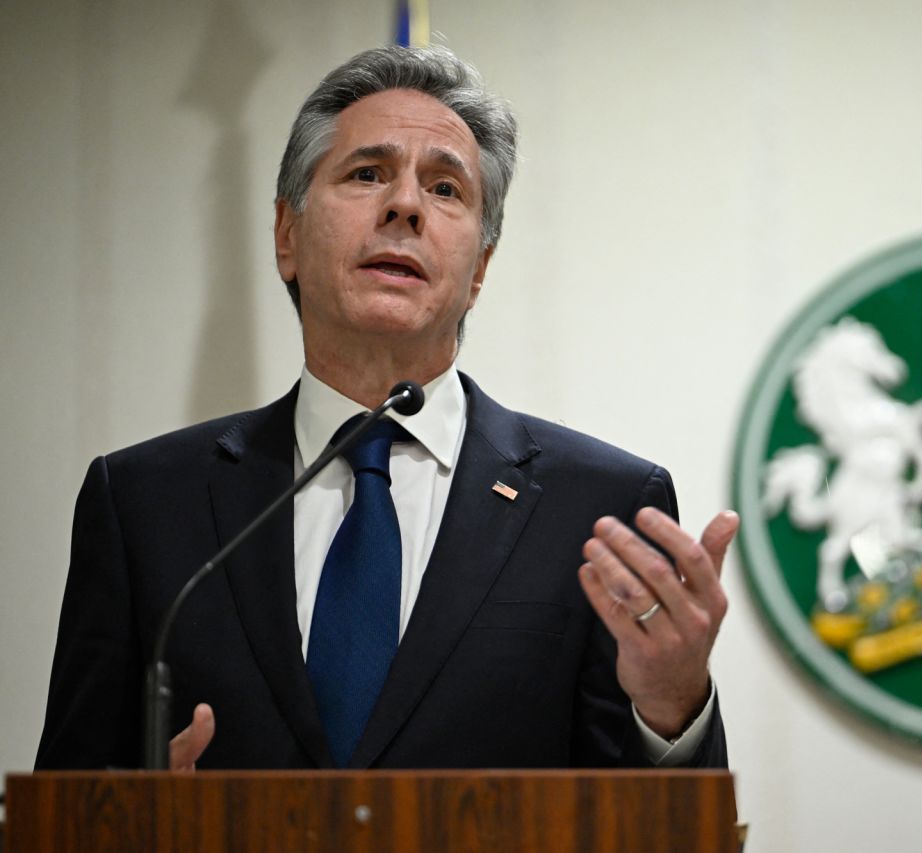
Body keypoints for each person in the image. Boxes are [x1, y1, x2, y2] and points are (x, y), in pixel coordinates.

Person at [35, 45, 735, 771]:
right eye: (367, 174)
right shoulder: (145, 504)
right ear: (286, 236)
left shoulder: (600, 508)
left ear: (479, 272)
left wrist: (671, 705)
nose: (404, 205)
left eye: (445, 189)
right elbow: (62, 804)